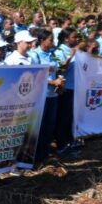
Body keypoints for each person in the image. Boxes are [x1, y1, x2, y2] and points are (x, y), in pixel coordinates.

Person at [29, 30, 63, 163]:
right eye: (50, 40)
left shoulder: (52, 54)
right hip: (40, 96)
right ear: (42, 41)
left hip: (52, 95)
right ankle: (36, 156)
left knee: (49, 126)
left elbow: (57, 69)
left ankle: (45, 153)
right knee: (40, 127)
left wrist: (59, 79)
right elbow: (35, 75)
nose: (53, 42)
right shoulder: (35, 54)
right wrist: (52, 82)